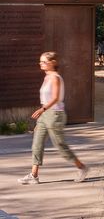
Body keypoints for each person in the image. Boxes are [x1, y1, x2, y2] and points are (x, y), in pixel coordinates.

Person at [18, 51, 88, 185]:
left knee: (60, 146)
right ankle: (34, 175)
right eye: (40, 61)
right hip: (45, 115)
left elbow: (55, 98)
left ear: (53, 63)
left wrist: (42, 109)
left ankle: (82, 167)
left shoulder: (55, 77)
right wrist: (42, 115)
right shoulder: (47, 77)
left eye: (44, 61)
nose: (41, 64)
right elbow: (46, 99)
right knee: (37, 144)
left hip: (55, 115)